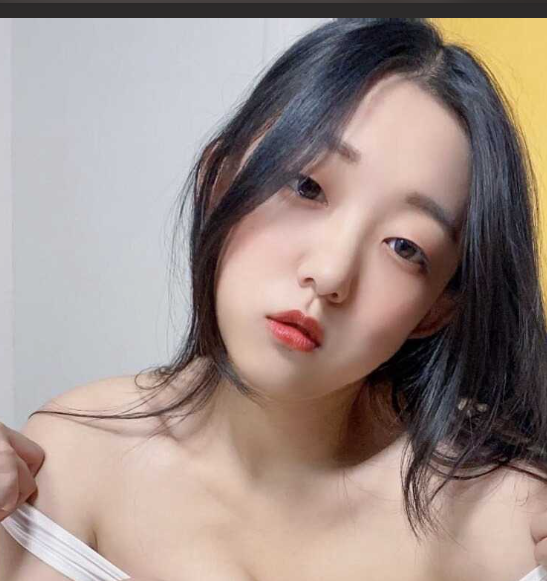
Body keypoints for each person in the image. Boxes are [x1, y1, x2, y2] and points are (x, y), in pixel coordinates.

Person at [2, 17, 547, 581]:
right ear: (218, 185)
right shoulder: (73, 459)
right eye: (307, 187)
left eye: (404, 247)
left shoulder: (506, 519)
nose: (330, 273)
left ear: (436, 308)